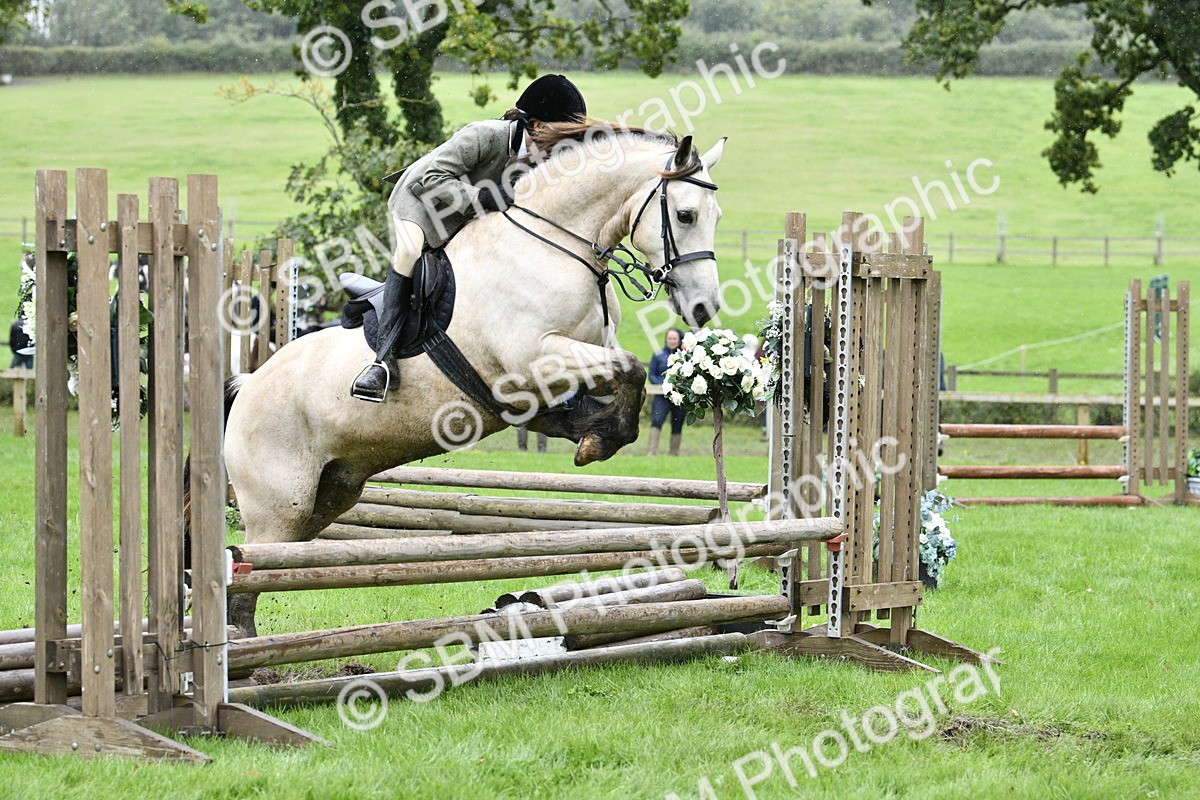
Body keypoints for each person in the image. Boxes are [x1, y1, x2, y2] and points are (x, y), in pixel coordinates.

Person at [351, 74, 588, 402]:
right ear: (534, 125)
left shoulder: (537, 160)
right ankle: (382, 363)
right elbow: (432, 178)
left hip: (463, 215)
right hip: (419, 202)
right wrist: (483, 198)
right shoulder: (484, 135)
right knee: (408, 252)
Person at [647, 328, 686, 456]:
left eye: (674, 338)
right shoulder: (658, 355)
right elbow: (651, 374)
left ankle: (674, 453)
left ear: (679, 340)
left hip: (679, 396)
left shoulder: (684, 355)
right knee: (657, 420)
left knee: (677, 422)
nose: (672, 341)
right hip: (661, 395)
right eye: (670, 338)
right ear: (666, 339)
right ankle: (651, 452)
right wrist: (662, 384)